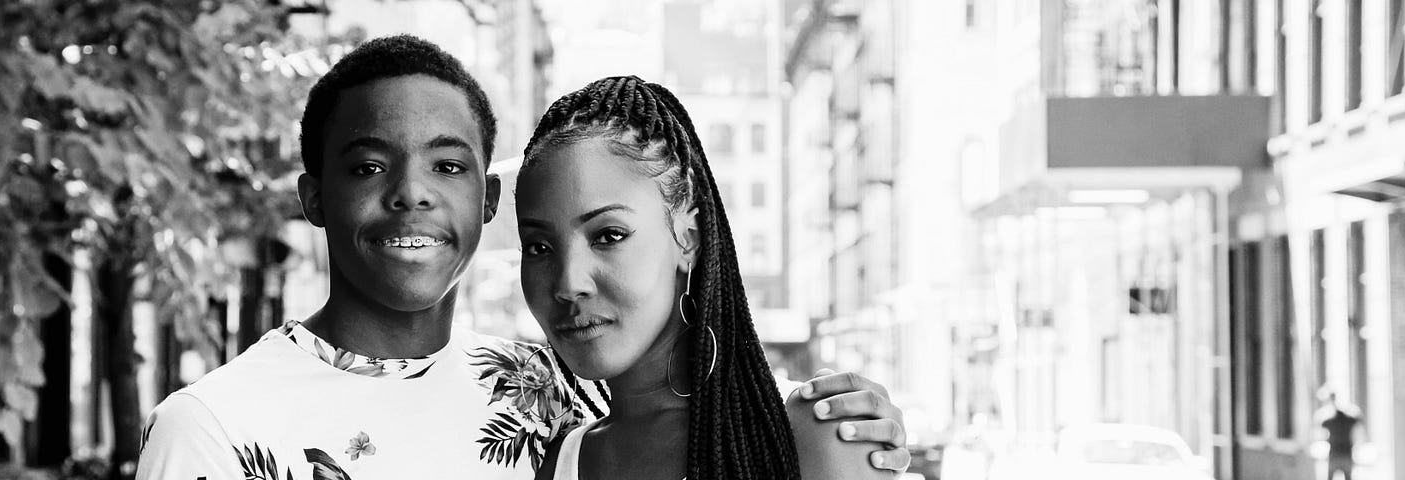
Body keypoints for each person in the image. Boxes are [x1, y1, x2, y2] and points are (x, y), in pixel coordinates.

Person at [136, 35, 903, 479]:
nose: (412, 196)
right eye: (369, 166)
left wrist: (834, 428)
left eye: (448, 165)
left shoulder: (533, 396)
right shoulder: (209, 426)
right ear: (313, 198)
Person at [516, 76, 909, 480]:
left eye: (608, 236)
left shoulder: (816, 435)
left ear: (688, 239)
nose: (568, 283)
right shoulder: (557, 461)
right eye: (538, 247)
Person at [1317, 388, 1361, 480]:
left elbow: (1320, 423)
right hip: (1344, 453)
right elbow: (1358, 419)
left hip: (1336, 453)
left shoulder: (1330, 420)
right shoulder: (1348, 419)